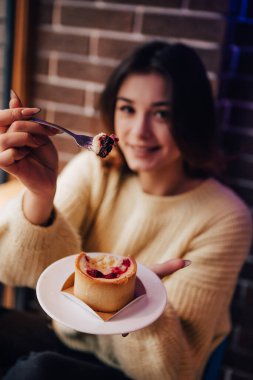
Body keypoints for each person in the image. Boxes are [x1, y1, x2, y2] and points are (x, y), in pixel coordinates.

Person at [0, 41, 251, 380]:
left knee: (36, 373)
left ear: (191, 119)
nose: (139, 132)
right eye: (128, 109)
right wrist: (40, 196)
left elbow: (174, 371)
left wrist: (136, 299)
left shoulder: (226, 217)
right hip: (72, 340)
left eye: (162, 113)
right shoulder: (96, 170)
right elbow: (15, 272)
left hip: (142, 369)